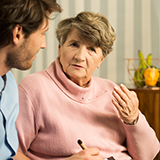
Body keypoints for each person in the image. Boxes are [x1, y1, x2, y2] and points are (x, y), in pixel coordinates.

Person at [16, 11, 160, 160]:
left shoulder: (113, 91)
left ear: (101, 60)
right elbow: (10, 154)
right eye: (74, 44)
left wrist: (133, 119)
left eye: (91, 49)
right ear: (60, 48)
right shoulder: (33, 88)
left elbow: (148, 155)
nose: (80, 56)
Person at [0, 0, 62, 159]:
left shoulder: (9, 85)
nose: (44, 44)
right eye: (43, 33)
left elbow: (9, 155)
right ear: (18, 33)